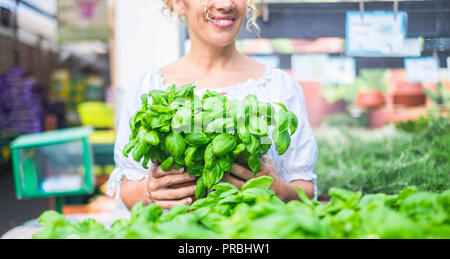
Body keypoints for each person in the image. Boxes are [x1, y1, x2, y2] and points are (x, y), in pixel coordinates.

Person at [107, 0, 318, 210]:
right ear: (179, 3)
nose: (226, 4)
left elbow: (305, 189)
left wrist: (283, 191)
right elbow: (128, 187)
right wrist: (147, 190)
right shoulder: (150, 87)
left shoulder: (279, 86)